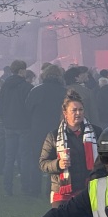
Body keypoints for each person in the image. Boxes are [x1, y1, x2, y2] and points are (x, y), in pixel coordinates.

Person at [39, 90, 102, 217]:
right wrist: (58, 164)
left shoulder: (96, 133)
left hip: (86, 191)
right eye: (74, 110)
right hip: (62, 192)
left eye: (81, 110)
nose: (78, 113)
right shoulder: (54, 136)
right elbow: (43, 163)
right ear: (65, 113)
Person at [25, 65, 68, 197]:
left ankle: (34, 189)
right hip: (57, 130)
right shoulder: (65, 92)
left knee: (36, 160)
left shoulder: (36, 91)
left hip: (38, 130)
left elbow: (27, 110)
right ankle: (52, 190)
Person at [0, 59, 33, 197]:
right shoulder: (27, 87)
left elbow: (1, 104)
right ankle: (25, 187)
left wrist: (5, 119)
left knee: (9, 157)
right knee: (24, 157)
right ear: (21, 71)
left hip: (9, 125)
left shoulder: (5, 86)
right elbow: (30, 106)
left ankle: (7, 187)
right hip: (24, 125)